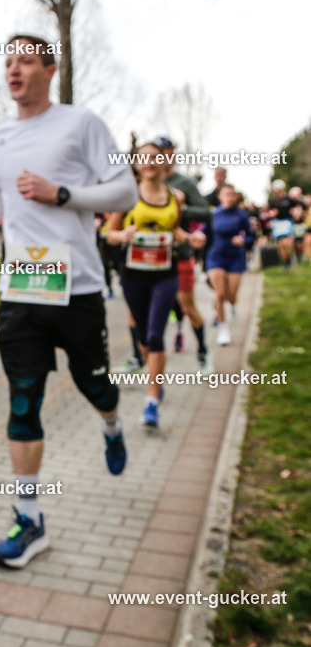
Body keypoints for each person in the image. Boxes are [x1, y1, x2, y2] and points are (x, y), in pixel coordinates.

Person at [0, 35, 137, 568]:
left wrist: (63, 194)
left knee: (95, 387)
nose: (13, 70)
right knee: (22, 399)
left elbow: (124, 191)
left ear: (50, 70)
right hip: (21, 290)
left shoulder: (81, 124)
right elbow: (0, 194)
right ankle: (29, 518)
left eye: (26, 61)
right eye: (8, 61)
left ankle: (112, 424)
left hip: (77, 287)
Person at [107, 141, 205, 428]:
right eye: (143, 158)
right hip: (133, 274)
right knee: (142, 336)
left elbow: (173, 228)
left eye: (155, 158)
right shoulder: (127, 196)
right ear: (136, 164)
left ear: (166, 162)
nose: (149, 162)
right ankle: (155, 377)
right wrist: (122, 234)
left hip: (165, 272)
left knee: (154, 335)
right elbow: (109, 232)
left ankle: (151, 402)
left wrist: (190, 238)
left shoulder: (176, 196)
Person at [155, 137, 212, 373]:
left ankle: (203, 353)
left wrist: (179, 208)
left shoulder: (184, 183)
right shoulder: (145, 181)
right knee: (147, 311)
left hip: (180, 253)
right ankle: (145, 362)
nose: (161, 158)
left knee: (188, 307)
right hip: (152, 256)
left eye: (166, 153)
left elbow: (206, 213)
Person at [205, 183, 254, 345]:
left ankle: (233, 305)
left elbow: (251, 236)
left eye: (232, 194)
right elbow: (203, 232)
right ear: (220, 196)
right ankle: (223, 329)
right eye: (226, 194)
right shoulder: (213, 214)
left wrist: (243, 239)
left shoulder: (241, 215)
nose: (229, 197)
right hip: (216, 257)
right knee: (219, 294)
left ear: (235, 197)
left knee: (231, 295)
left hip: (235, 258)